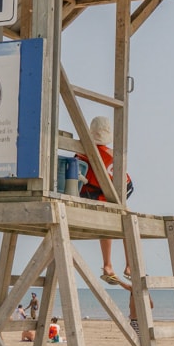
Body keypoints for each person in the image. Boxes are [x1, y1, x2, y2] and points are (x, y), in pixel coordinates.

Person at [76, 116, 134, 283]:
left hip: (83, 197)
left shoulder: (80, 152)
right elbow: (128, 185)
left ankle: (108, 264)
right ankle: (127, 264)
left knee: (118, 212)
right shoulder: (110, 155)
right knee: (125, 216)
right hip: (100, 202)